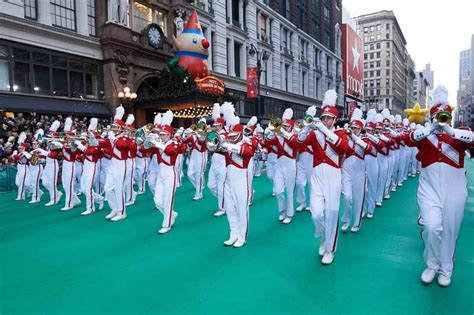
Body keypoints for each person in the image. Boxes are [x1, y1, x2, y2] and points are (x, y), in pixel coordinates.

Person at [404, 85, 474, 287]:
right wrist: (429, 129)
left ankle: (445, 269)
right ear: (432, 117)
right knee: (432, 227)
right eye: (438, 116)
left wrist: (451, 130)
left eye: (444, 116)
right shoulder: (424, 135)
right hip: (429, 190)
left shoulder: (460, 134)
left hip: (455, 190)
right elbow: (405, 139)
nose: (441, 120)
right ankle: (431, 265)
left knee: (450, 230)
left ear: (450, 117)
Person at [298, 90, 349, 265]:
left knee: (332, 212)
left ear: (335, 120)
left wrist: (324, 131)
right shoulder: (314, 133)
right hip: (317, 174)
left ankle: (330, 249)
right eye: (324, 117)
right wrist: (307, 127)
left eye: (329, 118)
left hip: (334, 175)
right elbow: (298, 143)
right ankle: (324, 235)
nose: (326, 121)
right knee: (316, 213)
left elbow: (343, 148)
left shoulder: (341, 133)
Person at [221, 115, 256, 248]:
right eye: (230, 135)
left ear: (240, 134)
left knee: (242, 208)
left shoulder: (246, 143)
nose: (230, 137)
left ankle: (242, 236)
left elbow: (248, 152)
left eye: (233, 135)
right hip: (228, 180)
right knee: (230, 209)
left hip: (241, 180)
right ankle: (233, 234)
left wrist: (228, 146)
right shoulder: (229, 143)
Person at [152, 111, 186, 234]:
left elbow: (171, 151)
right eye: (160, 134)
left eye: (164, 134)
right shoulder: (159, 142)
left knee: (168, 200)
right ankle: (172, 214)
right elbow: (144, 148)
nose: (161, 136)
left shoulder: (173, 143)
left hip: (170, 173)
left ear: (169, 134)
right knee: (157, 201)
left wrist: (158, 144)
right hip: (160, 173)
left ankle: (166, 224)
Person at [264, 108, 299, 224]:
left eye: (286, 126)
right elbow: (266, 142)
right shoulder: (278, 137)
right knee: (278, 190)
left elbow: (294, 144)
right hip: (279, 164)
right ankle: (282, 210)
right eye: (283, 126)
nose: (284, 128)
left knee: (289, 191)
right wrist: (272, 131)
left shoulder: (295, 136)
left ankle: (289, 213)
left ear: (291, 127)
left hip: (290, 164)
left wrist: (283, 133)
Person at [341, 108, 371, 233]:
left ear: (360, 129)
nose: (354, 130)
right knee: (347, 197)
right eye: (352, 128)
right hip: (347, 169)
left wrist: (355, 138)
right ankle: (346, 220)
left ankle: (357, 222)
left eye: (356, 129)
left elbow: (368, 149)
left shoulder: (365, 139)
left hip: (359, 171)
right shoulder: (346, 139)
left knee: (359, 197)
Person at [104, 106, 130, 222]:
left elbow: (122, 146)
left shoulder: (125, 137)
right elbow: (102, 145)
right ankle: (115, 208)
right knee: (107, 188)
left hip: (121, 164)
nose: (113, 129)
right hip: (112, 164)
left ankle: (122, 212)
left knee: (119, 189)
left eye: (115, 127)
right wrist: (94, 140)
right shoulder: (111, 137)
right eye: (113, 127)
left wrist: (112, 138)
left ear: (121, 128)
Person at [75, 118, 104, 216]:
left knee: (88, 189)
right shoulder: (88, 145)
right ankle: (99, 198)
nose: (89, 139)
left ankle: (90, 208)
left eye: (91, 137)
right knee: (83, 189)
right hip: (86, 168)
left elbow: (88, 152)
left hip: (92, 168)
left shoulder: (97, 147)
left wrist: (79, 145)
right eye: (89, 137)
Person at [35, 120, 63, 206]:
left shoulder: (57, 145)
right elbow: (47, 155)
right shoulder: (49, 144)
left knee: (51, 183)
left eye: (50, 135)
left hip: (54, 165)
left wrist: (42, 151)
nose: (48, 136)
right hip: (47, 164)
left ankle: (53, 199)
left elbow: (52, 155)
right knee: (44, 182)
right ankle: (57, 193)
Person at [207, 103, 228, 217]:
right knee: (211, 185)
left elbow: (218, 144)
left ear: (220, 125)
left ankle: (222, 207)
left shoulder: (224, 134)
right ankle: (225, 199)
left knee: (221, 186)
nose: (214, 127)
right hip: (214, 161)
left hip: (222, 161)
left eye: (216, 126)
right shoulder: (213, 133)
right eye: (214, 125)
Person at [363, 109, 384, 218]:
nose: (367, 132)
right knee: (363, 187)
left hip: (373, 162)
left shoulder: (376, 138)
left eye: (370, 130)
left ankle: (370, 209)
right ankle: (363, 208)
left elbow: (382, 147)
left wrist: (371, 136)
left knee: (372, 186)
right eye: (366, 129)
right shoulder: (361, 138)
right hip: (362, 162)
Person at [295, 105, 316, 211]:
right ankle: (302, 202)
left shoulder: (314, 132)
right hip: (301, 159)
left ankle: (312, 203)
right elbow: (297, 143)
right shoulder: (300, 131)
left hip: (311, 159)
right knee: (299, 182)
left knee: (311, 183)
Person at [184, 118, 208, 200]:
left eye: (202, 125)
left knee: (199, 173)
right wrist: (186, 134)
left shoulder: (205, 134)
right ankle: (198, 186)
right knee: (189, 174)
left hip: (201, 154)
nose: (200, 126)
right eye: (199, 124)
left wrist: (197, 134)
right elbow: (184, 140)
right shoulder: (193, 135)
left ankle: (199, 193)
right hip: (194, 154)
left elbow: (201, 144)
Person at [60, 117, 81, 211]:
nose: (66, 138)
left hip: (71, 165)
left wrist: (63, 145)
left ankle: (69, 204)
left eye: (68, 137)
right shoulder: (65, 143)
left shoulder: (74, 144)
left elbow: (72, 151)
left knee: (69, 185)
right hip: (65, 164)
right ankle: (75, 199)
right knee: (65, 185)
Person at [12, 132, 30, 201]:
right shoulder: (20, 152)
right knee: (18, 183)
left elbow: (16, 157)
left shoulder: (25, 153)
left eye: (21, 148)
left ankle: (21, 196)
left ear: (24, 148)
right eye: (19, 148)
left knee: (22, 183)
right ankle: (31, 191)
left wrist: (14, 153)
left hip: (24, 168)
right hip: (19, 168)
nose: (20, 149)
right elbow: (14, 157)